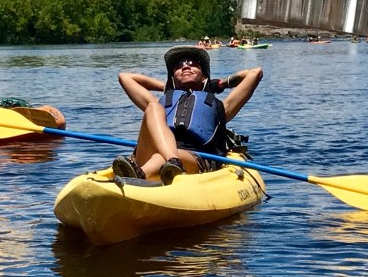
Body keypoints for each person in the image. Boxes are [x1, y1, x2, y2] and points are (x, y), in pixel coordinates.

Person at [112, 46, 263, 185]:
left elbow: (255, 73)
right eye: (178, 66)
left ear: (204, 76)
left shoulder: (222, 107)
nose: (185, 66)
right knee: (153, 107)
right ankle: (168, 164)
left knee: (165, 156)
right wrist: (167, 87)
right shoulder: (163, 102)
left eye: (192, 63)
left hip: (193, 158)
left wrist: (222, 83)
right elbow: (125, 77)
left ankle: (141, 175)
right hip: (151, 154)